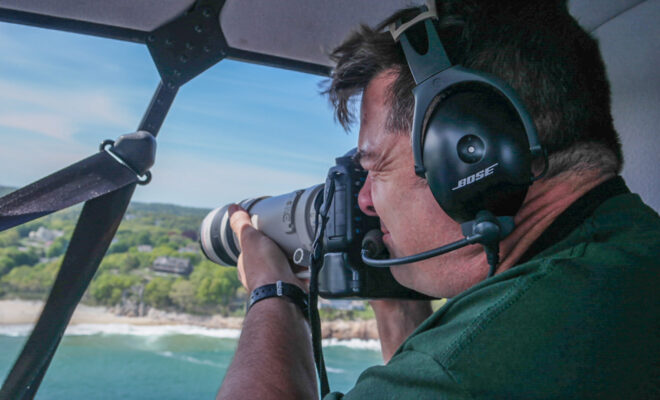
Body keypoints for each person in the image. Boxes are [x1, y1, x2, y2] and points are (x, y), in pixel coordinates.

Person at [217, 1, 659, 399]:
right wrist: (393, 291)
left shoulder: (476, 364)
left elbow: (452, 374)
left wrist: (273, 291)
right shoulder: (629, 251)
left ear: (469, 153)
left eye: (375, 167)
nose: (365, 200)